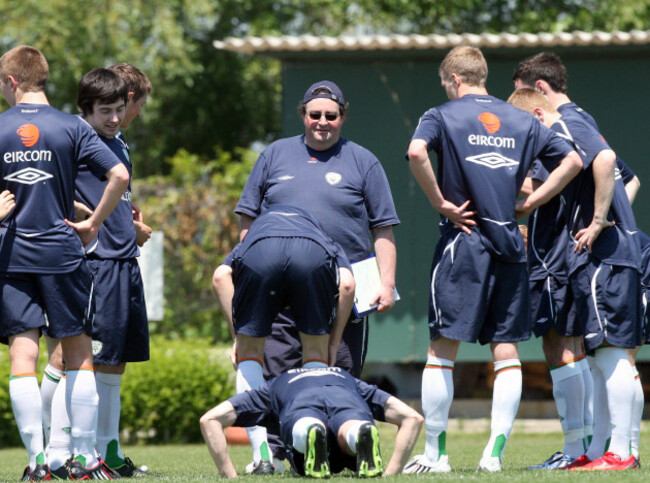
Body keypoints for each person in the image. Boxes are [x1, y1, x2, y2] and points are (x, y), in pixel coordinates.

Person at [403, 46, 582, 474]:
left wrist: (441, 202)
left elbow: (414, 153)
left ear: (453, 80)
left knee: (442, 349)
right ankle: (494, 456)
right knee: (507, 351)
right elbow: (574, 159)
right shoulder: (521, 118)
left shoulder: (442, 114)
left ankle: (436, 455)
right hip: (509, 243)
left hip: (463, 241)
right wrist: (533, 200)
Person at [234, 80, 399, 470]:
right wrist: (247, 270)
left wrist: (387, 283)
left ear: (343, 116)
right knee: (276, 372)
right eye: (314, 114)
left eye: (330, 115)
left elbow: (384, 229)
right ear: (303, 115)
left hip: (344, 290)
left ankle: (340, 448)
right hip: (277, 290)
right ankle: (271, 454)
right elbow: (247, 222)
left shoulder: (363, 161)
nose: (322, 122)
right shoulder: (274, 155)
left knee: (337, 375)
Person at [0, 45, 130, 481]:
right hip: (61, 251)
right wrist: (93, 221)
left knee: (23, 356)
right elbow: (120, 176)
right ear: (42, 78)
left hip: (11, 254)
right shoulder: (71, 126)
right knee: (78, 353)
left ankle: (38, 464)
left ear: (11, 82)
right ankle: (84, 460)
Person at [513, 53, 644, 471]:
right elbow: (630, 177)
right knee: (603, 356)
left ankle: (621, 453)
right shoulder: (578, 118)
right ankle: (601, 451)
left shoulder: (567, 122)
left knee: (612, 353)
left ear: (539, 100)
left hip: (606, 257)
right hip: (609, 254)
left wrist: (601, 221)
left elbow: (608, 163)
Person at [211, 204, 355, 473]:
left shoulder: (256, 233)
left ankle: (262, 456)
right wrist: (333, 343)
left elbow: (220, 277)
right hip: (311, 256)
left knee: (250, 355)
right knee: (315, 354)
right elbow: (347, 285)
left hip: (261, 255)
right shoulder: (322, 235)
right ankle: (310, 447)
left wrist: (238, 338)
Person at [200, 366, 423, 478]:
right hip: (345, 395)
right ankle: (358, 432)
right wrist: (390, 475)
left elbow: (209, 419)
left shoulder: (275, 384)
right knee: (349, 425)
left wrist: (229, 477)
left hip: (298, 402)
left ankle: (308, 430)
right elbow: (412, 417)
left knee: (305, 424)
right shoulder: (345, 376)